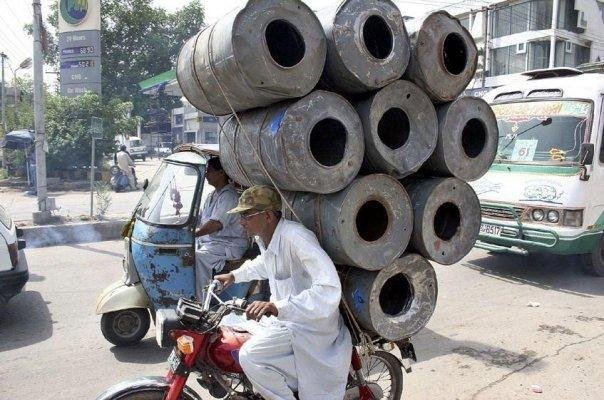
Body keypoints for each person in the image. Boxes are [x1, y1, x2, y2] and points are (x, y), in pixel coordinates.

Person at [215, 185, 352, 400]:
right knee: (227, 328)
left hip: (310, 326)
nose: (241, 222)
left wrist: (277, 307)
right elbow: (266, 263)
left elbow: (329, 288)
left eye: (247, 215)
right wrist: (234, 275)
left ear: (268, 216)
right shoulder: (267, 238)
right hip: (285, 320)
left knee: (250, 356)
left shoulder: (296, 238)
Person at [194, 157, 248, 300]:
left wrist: (194, 233)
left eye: (209, 171)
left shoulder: (229, 197)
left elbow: (215, 224)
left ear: (221, 172)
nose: (206, 174)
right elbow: (201, 218)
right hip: (212, 242)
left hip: (229, 244)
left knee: (199, 257)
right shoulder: (211, 195)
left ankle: (201, 300)